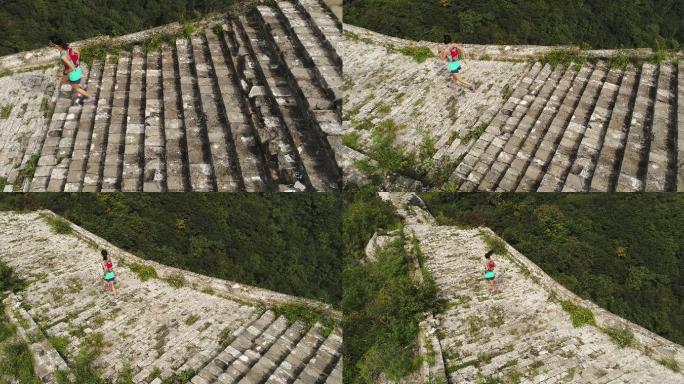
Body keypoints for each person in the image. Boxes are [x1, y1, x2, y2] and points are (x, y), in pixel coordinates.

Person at [49, 35, 95, 105]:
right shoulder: (68, 48)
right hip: (78, 69)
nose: (50, 45)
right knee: (64, 80)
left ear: (55, 45)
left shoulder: (63, 56)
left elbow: (71, 68)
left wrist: (64, 72)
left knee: (76, 89)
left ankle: (91, 97)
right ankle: (81, 85)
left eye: (51, 44)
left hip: (73, 73)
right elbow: (78, 53)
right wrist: (76, 62)